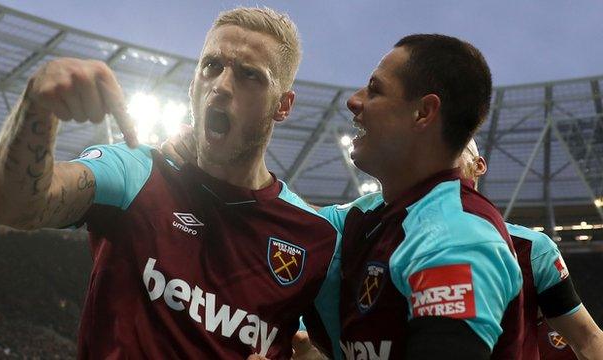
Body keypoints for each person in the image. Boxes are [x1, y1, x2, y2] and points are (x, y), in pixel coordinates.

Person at [0, 8, 341, 359]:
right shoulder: (137, 170)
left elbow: (340, 347)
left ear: (283, 105)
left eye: (249, 75)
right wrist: (36, 105)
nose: (221, 86)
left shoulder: (313, 234)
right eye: (211, 66)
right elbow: (12, 207)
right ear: (192, 84)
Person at [163, 34, 524, 359]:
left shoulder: (455, 240)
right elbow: (279, 222)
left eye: (375, 90)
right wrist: (209, 157)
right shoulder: (365, 218)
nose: (354, 101)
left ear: (423, 113)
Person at [458, 138, 603, 360]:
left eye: (453, 149)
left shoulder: (532, 249)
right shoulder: (394, 242)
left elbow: (587, 339)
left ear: (478, 165)